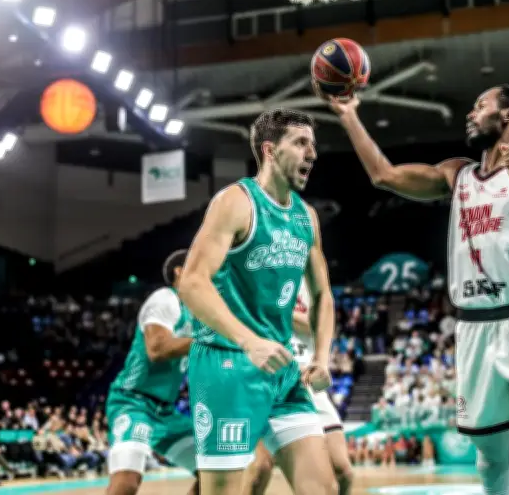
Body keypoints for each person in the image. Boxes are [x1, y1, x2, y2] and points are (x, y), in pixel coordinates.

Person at [323, 85, 509, 494]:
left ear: (508, 115)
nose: (470, 114)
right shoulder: (459, 173)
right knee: (489, 465)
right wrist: (348, 115)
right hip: (472, 330)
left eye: (480, 105)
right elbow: (385, 175)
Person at [178, 109, 338, 495]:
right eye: (301, 143)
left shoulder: (306, 217)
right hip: (226, 362)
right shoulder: (236, 201)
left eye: (313, 145)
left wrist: (322, 356)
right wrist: (249, 341)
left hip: (282, 367)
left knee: (325, 488)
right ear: (269, 150)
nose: (311, 153)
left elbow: (322, 295)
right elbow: (192, 283)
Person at [243, 282, 353, 495]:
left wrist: (277, 310)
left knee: (343, 472)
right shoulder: (256, 273)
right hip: (268, 378)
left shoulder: (308, 281)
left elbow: (319, 324)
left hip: (307, 378)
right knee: (260, 470)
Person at [106, 249, 199, 495]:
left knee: (213, 472)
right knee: (126, 481)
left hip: (166, 412)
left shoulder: (201, 315)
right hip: (134, 401)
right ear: (179, 272)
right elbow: (157, 348)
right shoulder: (166, 298)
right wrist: (209, 341)